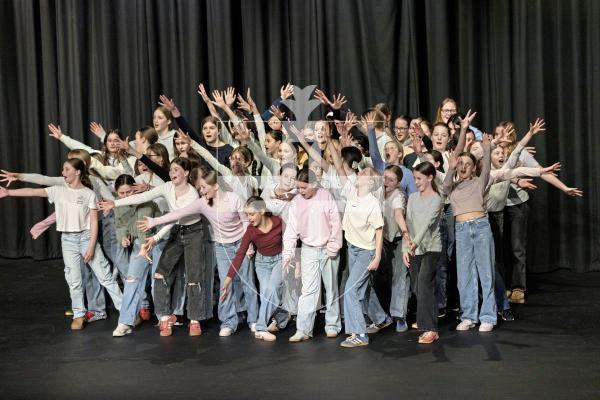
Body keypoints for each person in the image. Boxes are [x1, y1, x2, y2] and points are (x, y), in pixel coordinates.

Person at [0, 158, 122, 330]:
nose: (63, 173)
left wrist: (91, 246)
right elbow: (33, 192)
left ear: (77, 172)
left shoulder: (89, 194)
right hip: (68, 240)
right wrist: (9, 193)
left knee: (105, 277)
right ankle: (79, 314)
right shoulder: (58, 190)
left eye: (66, 169)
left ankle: (125, 311)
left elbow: (94, 222)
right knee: (74, 280)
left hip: (87, 238)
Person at [99, 158, 207, 337]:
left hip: (170, 236)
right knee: (136, 278)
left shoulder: (191, 195)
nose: (172, 172)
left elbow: (174, 218)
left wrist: (155, 237)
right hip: (148, 243)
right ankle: (127, 321)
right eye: (171, 169)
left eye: (177, 169)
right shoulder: (165, 188)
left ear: (186, 173)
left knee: (184, 277)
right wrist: (115, 205)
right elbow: (125, 221)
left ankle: (178, 318)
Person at [443, 110, 497, 332]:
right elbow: (450, 173)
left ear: (474, 167)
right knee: (464, 274)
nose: (464, 166)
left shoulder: (479, 181)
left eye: (468, 163)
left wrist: (487, 146)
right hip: (462, 229)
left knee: (486, 272)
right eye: (461, 163)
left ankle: (488, 316)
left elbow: (487, 168)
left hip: (481, 226)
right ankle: (468, 315)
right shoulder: (451, 186)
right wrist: (463, 130)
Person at [282, 168, 343, 342]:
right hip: (308, 248)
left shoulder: (326, 196)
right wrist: (288, 254)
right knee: (308, 290)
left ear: (314, 184)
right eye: (299, 188)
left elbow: (335, 223)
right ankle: (303, 329)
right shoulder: (296, 202)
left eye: (304, 188)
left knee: (330, 288)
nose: (301, 191)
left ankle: (332, 325)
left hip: (327, 249)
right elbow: (291, 230)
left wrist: (333, 246)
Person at [220, 197, 289, 341]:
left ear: (262, 211)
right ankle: (282, 317)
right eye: (247, 215)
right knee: (266, 294)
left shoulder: (278, 222)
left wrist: (294, 261)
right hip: (262, 263)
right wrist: (228, 279)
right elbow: (240, 255)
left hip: (280, 259)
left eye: (252, 214)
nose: (249, 218)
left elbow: (290, 240)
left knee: (272, 289)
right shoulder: (251, 231)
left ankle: (261, 327)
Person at [402, 162, 444, 343]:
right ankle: (426, 320)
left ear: (430, 177)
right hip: (414, 248)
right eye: (414, 178)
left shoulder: (437, 199)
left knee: (425, 284)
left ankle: (430, 329)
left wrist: (414, 244)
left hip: (431, 248)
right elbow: (408, 223)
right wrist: (406, 247)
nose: (416, 182)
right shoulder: (412, 198)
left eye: (419, 178)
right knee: (417, 287)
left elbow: (427, 223)